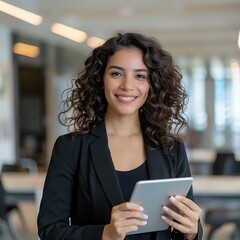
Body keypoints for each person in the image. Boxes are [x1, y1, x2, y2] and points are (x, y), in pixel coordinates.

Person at [37, 32, 203, 240]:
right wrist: (105, 233)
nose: (127, 85)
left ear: (152, 85)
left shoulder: (171, 149)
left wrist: (192, 232)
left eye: (140, 76)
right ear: (101, 79)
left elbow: (180, 230)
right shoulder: (70, 148)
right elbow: (50, 230)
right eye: (116, 73)